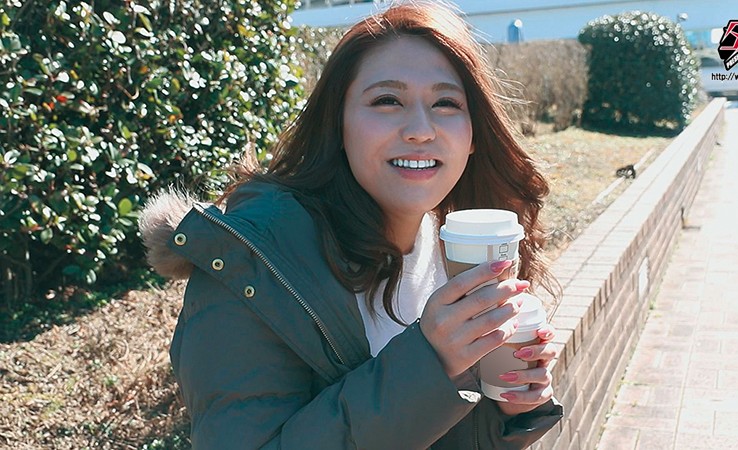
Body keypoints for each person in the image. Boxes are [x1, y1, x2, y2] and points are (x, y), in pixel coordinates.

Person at [140, 1, 563, 448]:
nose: (420, 130)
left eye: (446, 103)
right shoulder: (257, 268)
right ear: (337, 124)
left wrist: (509, 412)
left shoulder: (459, 253)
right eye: (387, 101)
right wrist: (429, 363)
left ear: (474, 135)